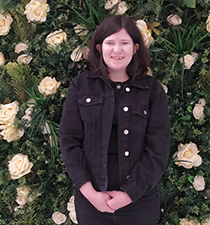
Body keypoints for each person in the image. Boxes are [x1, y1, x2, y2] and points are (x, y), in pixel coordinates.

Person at [59, 15, 170, 225]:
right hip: (92, 202)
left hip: (139, 202)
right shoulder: (80, 86)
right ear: (100, 48)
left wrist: (129, 194)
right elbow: (69, 141)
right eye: (110, 43)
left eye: (124, 43)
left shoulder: (152, 90)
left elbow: (158, 149)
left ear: (135, 48)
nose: (117, 50)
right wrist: (90, 193)